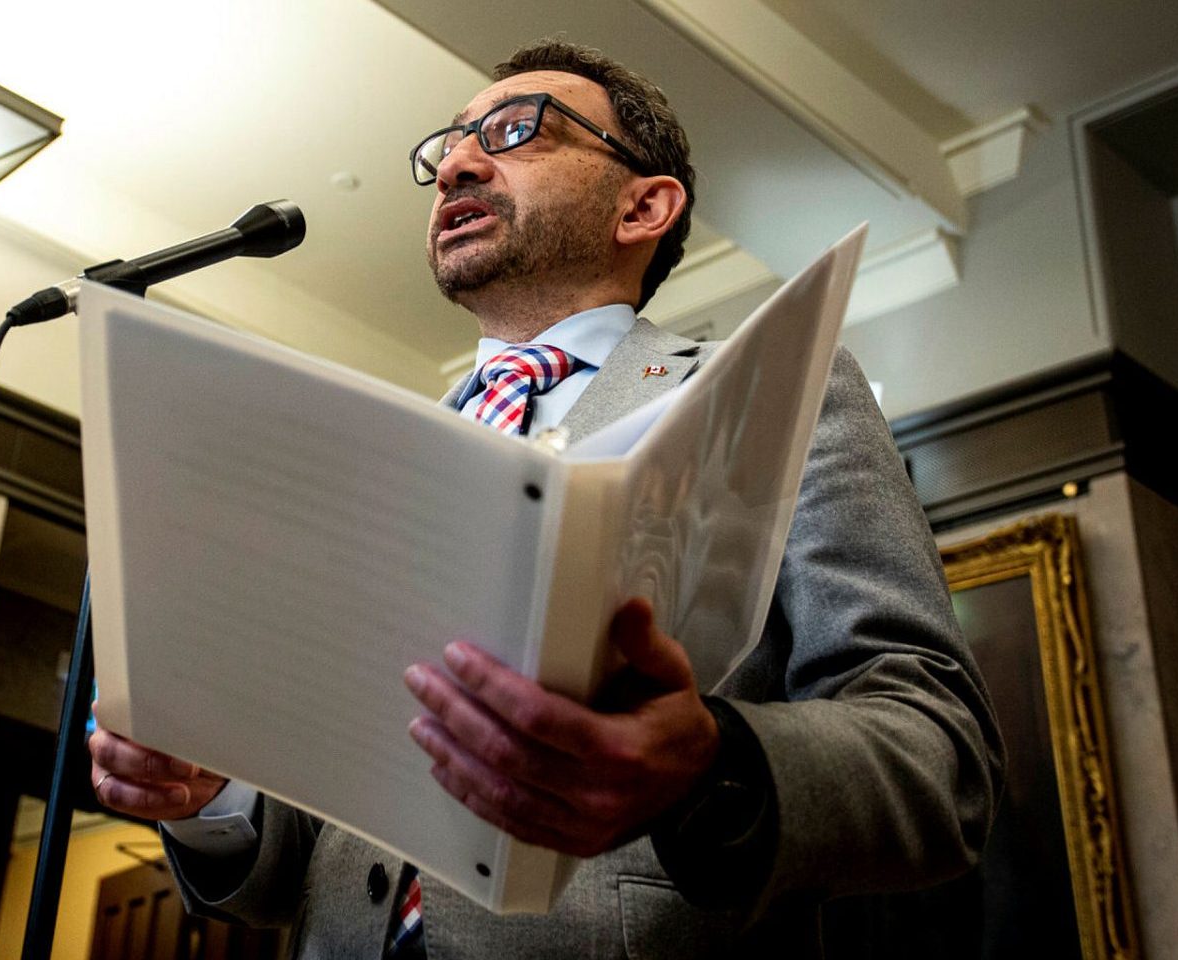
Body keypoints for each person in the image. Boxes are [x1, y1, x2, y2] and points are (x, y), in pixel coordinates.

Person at [87, 39, 1003, 958]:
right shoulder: (365, 463)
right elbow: (303, 865)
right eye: (447, 145)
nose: (456, 163)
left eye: (514, 130)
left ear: (644, 205)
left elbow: (942, 753)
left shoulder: (783, 390)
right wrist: (214, 796)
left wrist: (710, 766)